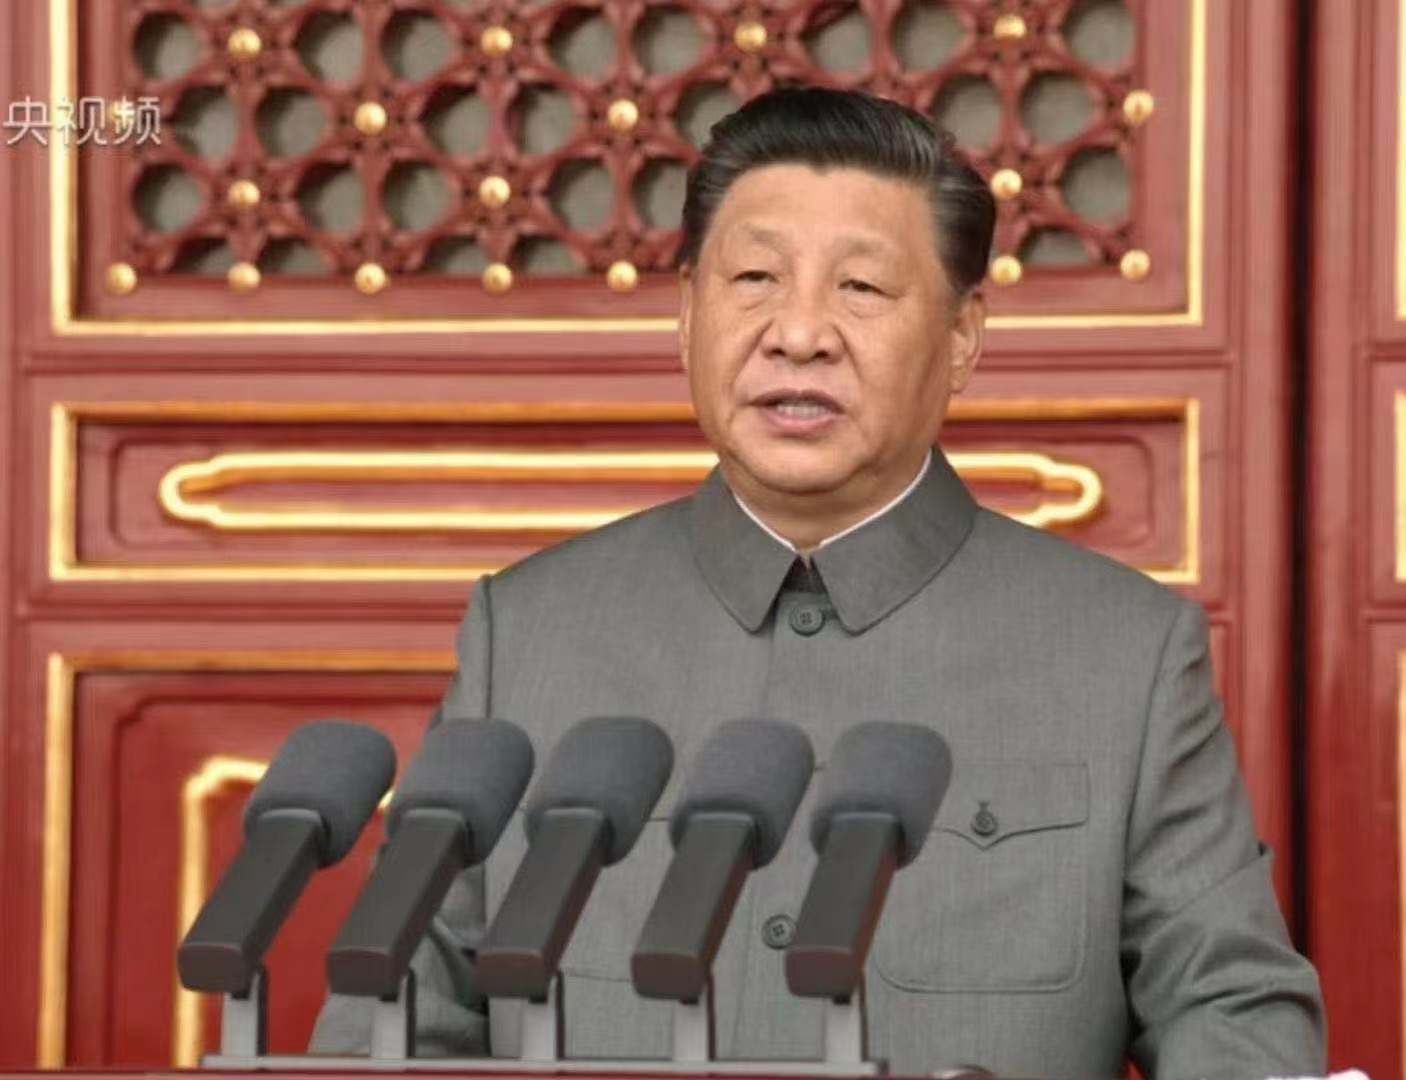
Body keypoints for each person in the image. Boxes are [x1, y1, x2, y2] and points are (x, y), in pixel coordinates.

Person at [314, 86, 1325, 1079]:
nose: (799, 333)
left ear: (962, 338)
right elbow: (395, 1014)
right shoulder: (531, 631)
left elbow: (1228, 1007)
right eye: (755, 277)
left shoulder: (1120, 654)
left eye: (862, 288)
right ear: (687, 314)